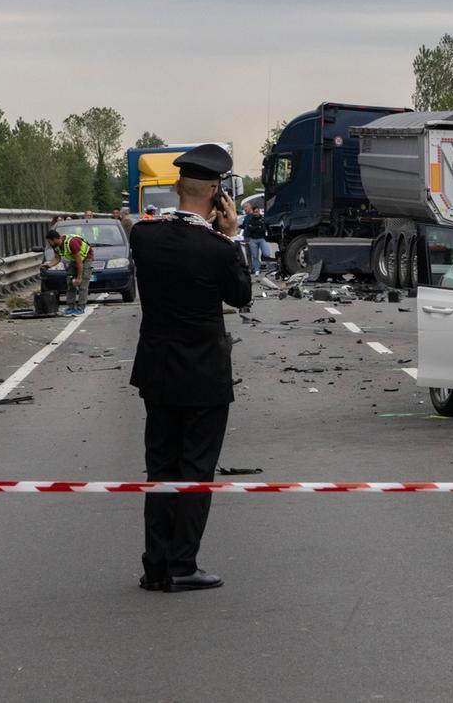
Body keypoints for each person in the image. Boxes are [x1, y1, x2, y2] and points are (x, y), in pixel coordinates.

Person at [129, 143, 251, 593]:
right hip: (203, 376)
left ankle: (155, 565)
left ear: (177, 187)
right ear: (218, 194)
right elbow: (240, 296)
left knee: (159, 469)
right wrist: (232, 235)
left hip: (157, 371)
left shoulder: (144, 236)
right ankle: (183, 565)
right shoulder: (218, 249)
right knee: (196, 471)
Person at [44, 228, 95, 315]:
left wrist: (79, 278)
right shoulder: (56, 246)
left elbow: (79, 261)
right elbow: (57, 258)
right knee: (70, 283)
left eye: (49, 241)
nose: (49, 244)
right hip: (74, 260)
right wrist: (48, 265)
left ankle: (80, 308)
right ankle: (70, 307)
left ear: (55, 239)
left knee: (82, 285)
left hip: (86, 259)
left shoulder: (72, 243)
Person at [241, 202, 272, 277]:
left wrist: (256, 227)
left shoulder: (261, 218)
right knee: (253, 255)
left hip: (260, 238)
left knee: (266, 253)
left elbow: (264, 228)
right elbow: (248, 228)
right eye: (244, 207)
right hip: (250, 239)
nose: (244, 209)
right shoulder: (247, 218)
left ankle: (270, 267)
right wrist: (257, 227)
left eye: (246, 207)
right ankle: (255, 269)